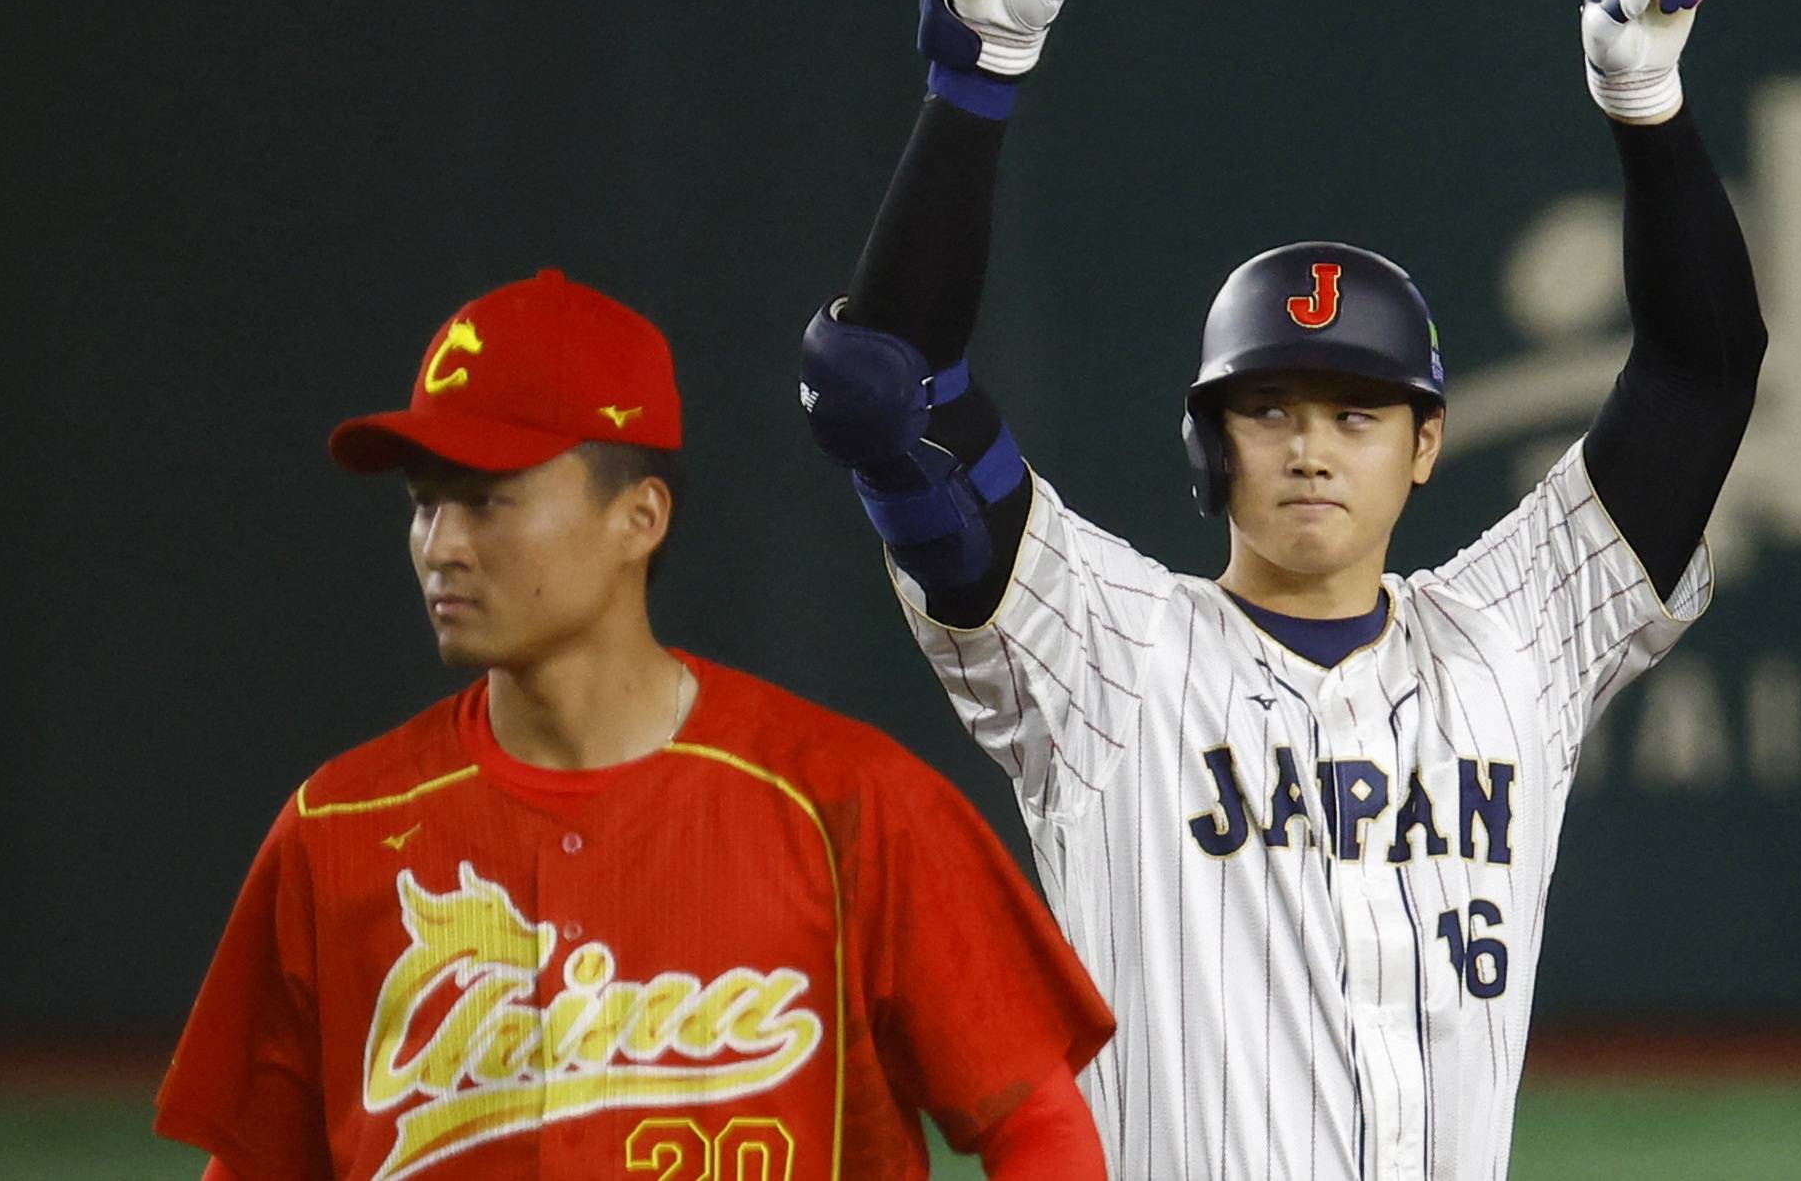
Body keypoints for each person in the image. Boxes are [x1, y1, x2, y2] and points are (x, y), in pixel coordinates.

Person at [799, 0, 1765, 1177]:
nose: (1310, 445)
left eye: (1355, 412)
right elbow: (883, 378)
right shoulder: (1107, 653)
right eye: (1267, 409)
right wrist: (977, 73)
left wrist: (1647, 112)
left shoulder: (1513, 637)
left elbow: (1702, 373)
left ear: (1424, 445)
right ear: (1208, 447)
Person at [155, 267, 1113, 1180]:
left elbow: (1036, 1127)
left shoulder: (848, 808)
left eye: (486, 500)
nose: (441, 546)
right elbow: (252, 1164)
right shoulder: (341, 830)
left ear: (639, 518)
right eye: (424, 505)